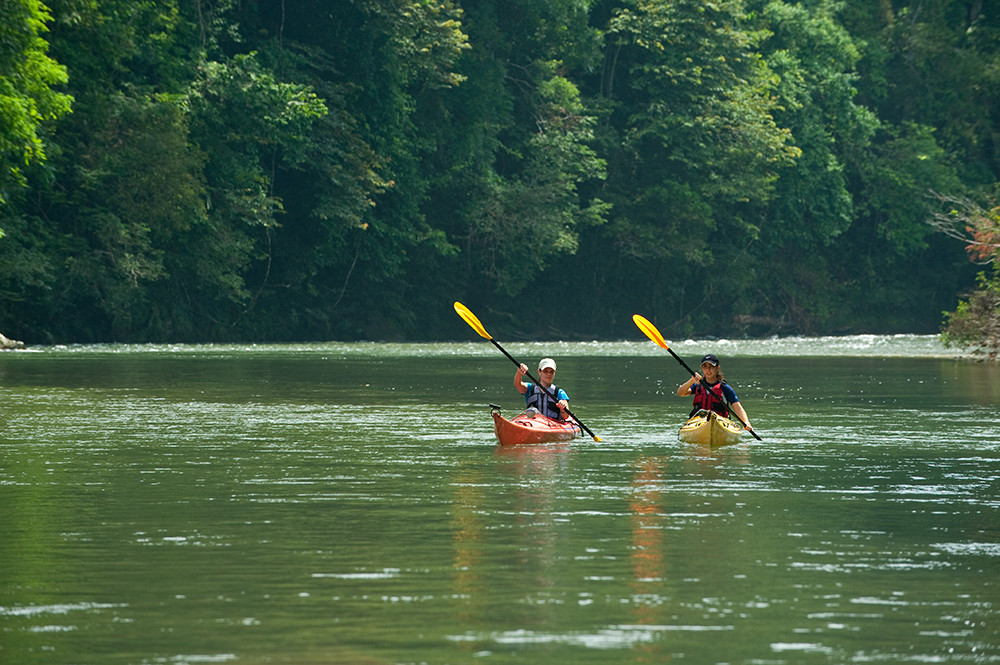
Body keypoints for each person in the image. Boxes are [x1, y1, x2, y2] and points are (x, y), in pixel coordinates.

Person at [676, 353, 753, 431]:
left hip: (720, 423)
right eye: (705, 367)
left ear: (717, 367)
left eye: (711, 366)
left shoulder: (725, 388)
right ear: (702, 369)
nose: (708, 370)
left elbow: (738, 408)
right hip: (698, 421)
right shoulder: (697, 385)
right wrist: (691, 381)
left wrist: (746, 422)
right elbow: (680, 393)